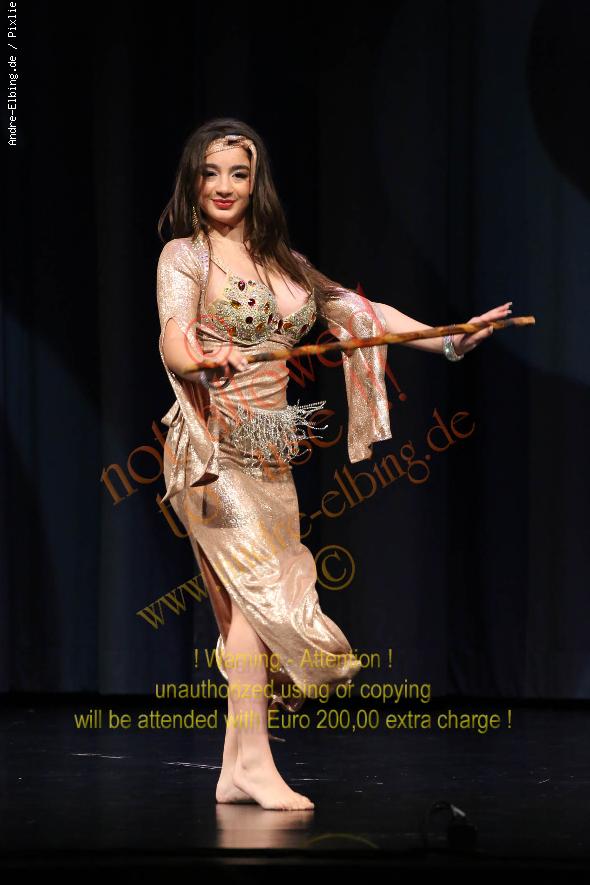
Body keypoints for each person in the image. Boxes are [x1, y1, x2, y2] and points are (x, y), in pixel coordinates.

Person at [156, 119, 511, 811]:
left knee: (250, 610)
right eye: (211, 172)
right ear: (192, 181)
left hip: (270, 455)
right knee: (259, 600)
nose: (224, 186)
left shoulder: (284, 262)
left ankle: (235, 766)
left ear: (255, 182)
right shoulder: (184, 256)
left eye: (238, 173)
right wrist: (201, 359)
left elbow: (362, 313)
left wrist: (449, 339)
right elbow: (173, 336)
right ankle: (257, 765)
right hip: (210, 453)